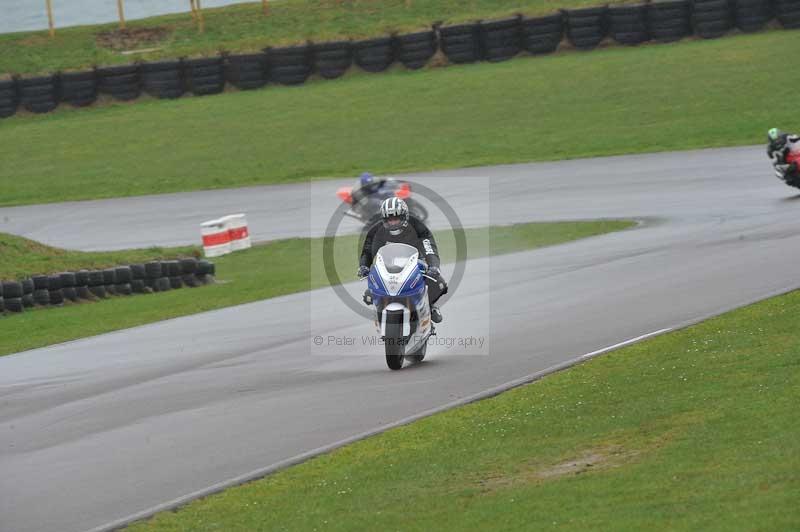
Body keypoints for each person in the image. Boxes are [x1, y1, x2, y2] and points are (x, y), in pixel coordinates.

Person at [357, 197, 447, 323]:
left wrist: (433, 266)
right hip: (389, 264)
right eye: (389, 219)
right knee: (372, 281)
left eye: (396, 218)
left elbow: (429, 246)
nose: (393, 222)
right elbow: (367, 251)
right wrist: (363, 266)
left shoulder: (417, 226)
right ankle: (380, 305)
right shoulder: (376, 230)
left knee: (440, 284)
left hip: (415, 263)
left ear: (404, 216)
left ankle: (430, 306)